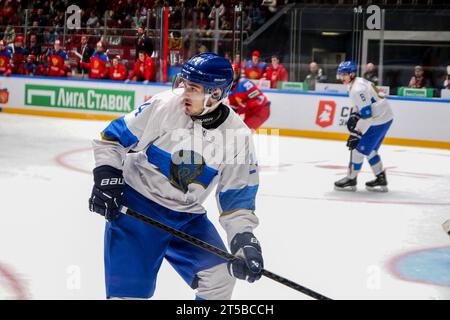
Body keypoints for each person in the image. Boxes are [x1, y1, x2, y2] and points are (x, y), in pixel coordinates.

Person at [88, 52, 263, 299]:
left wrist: (244, 239)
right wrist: (107, 176)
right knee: (129, 296)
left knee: (220, 279)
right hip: (138, 206)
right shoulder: (165, 105)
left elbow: (237, 199)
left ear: (215, 94)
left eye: (192, 88)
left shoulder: (238, 136)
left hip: (186, 216)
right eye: (184, 84)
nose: (184, 93)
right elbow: (112, 139)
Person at [334, 61, 394, 192]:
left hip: (378, 119)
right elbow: (364, 105)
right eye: (340, 74)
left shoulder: (357, 88)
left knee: (357, 150)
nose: (341, 77)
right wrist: (356, 114)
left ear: (352, 74)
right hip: (385, 117)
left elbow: (367, 116)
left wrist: (356, 133)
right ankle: (380, 178)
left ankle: (351, 179)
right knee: (371, 150)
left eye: (344, 74)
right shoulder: (356, 82)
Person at [228, 63, 271, 130]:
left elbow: (259, 98)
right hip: (250, 111)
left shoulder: (244, 84)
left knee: (244, 132)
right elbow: (234, 108)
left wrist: (245, 105)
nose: (231, 76)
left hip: (261, 109)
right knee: (242, 132)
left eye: (234, 74)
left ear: (238, 74)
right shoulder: (229, 89)